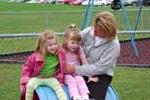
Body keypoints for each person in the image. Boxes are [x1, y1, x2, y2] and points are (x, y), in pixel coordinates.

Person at [64, 11, 120, 100]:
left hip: (100, 74)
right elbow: (72, 41)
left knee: (94, 95)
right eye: (95, 28)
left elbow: (100, 68)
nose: (95, 32)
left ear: (107, 31)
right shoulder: (89, 32)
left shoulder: (114, 45)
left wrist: (75, 68)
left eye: (98, 31)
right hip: (81, 69)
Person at [20, 30, 67, 100]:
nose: (53, 46)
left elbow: (60, 69)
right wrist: (26, 78)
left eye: (55, 44)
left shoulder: (58, 56)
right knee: (30, 86)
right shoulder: (35, 56)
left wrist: (60, 80)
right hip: (37, 78)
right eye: (50, 45)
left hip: (50, 78)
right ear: (43, 46)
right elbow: (27, 68)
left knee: (59, 88)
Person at [62, 24, 96, 100]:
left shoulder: (79, 49)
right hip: (66, 74)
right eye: (73, 42)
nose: (75, 45)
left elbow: (84, 61)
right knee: (71, 81)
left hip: (76, 72)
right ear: (66, 41)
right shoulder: (63, 50)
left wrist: (90, 75)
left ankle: (85, 96)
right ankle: (76, 96)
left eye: (77, 43)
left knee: (80, 80)